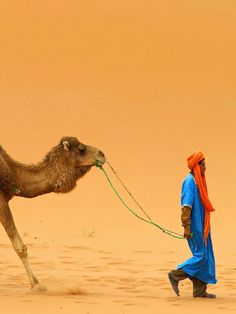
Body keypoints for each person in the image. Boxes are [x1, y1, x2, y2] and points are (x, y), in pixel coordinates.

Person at [168, 151, 217, 298]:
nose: (205, 168)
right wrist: (187, 227)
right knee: (201, 257)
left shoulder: (198, 182)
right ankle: (175, 275)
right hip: (194, 227)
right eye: (203, 164)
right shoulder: (190, 181)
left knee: (206, 256)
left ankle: (199, 291)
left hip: (203, 226)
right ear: (197, 165)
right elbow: (186, 206)